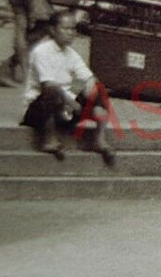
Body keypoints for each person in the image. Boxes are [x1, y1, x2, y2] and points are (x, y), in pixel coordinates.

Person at [22, 10, 116, 165]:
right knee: (52, 91)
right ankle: (49, 140)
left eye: (73, 29)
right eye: (66, 29)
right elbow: (49, 85)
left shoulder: (71, 53)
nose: (71, 33)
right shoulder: (41, 51)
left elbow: (88, 76)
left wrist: (90, 84)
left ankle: (99, 140)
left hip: (65, 110)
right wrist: (74, 105)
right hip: (40, 112)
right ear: (52, 30)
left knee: (98, 88)